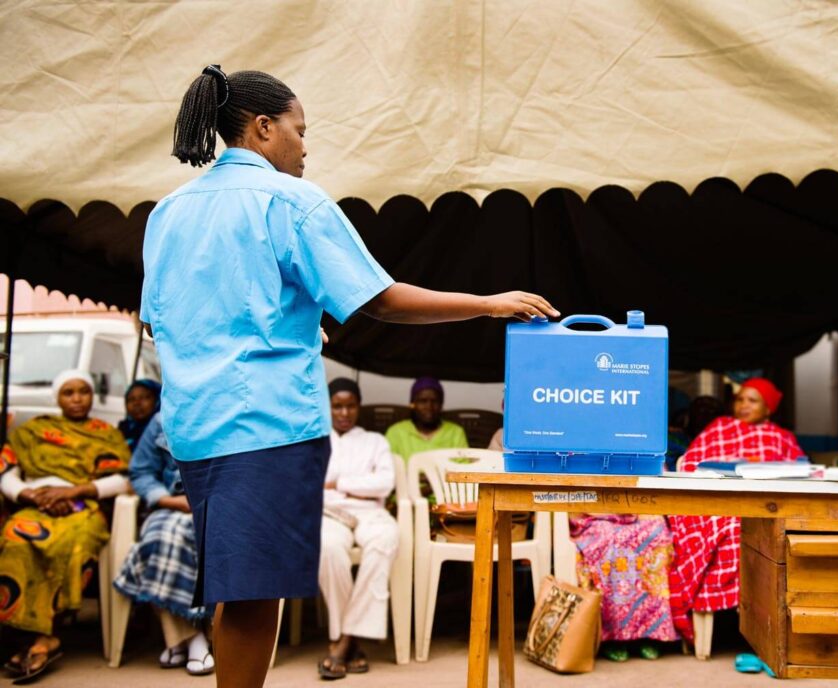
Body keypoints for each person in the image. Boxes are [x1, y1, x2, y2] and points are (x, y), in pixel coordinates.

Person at [142, 65, 558, 688]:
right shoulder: (290, 200)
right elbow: (380, 299)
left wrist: (293, 322)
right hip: (268, 428)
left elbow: (162, 322)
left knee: (237, 587)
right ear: (262, 129)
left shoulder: (168, 212)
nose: (306, 146)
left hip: (199, 432)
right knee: (257, 600)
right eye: (299, 130)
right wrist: (487, 302)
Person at [0, 370, 131, 683]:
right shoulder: (33, 431)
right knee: (15, 538)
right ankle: (31, 637)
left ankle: (44, 637)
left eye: (83, 391)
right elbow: (7, 472)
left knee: (69, 542)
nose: (76, 399)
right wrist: (28, 493)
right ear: (57, 398)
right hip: (37, 505)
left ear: (91, 396)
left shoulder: (106, 433)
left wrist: (74, 491)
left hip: (81, 508)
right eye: (68, 392)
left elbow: (124, 480)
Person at [666, 378, 803, 641]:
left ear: (768, 409)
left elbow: (802, 474)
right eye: (740, 399)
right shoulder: (719, 428)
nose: (743, 405)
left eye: (752, 401)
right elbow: (691, 462)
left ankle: (762, 618)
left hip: (767, 509)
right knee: (735, 525)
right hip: (716, 506)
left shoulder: (781, 437)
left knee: (765, 529)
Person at [113, 412, 214, 676]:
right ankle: (194, 639)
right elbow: (141, 471)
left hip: (218, 507)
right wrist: (169, 501)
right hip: (173, 505)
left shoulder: (229, 411)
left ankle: (179, 642)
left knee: (212, 539)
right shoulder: (162, 420)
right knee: (159, 538)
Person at [317, 378, 399, 680]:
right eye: (337, 405)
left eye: (350, 405)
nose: (343, 412)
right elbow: (311, 485)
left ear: (358, 407)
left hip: (370, 513)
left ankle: (343, 642)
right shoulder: (317, 439)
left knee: (385, 540)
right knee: (327, 548)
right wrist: (359, 485)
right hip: (329, 513)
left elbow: (385, 483)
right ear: (328, 406)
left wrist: (338, 483)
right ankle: (351, 641)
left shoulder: (375, 441)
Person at [570, 514, 678, 661]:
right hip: (594, 516)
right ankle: (610, 636)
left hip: (631, 509)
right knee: (608, 537)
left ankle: (650, 632)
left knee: (657, 529)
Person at [385, 378, 469, 461]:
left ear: (441, 405)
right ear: (412, 404)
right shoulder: (396, 432)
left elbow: (464, 470)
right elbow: (386, 469)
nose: (429, 407)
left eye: (435, 401)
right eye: (423, 401)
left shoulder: (455, 433)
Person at [117, 378, 162, 451]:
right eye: (131, 399)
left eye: (143, 398)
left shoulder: (163, 433)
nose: (136, 403)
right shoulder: (122, 431)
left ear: (157, 400)